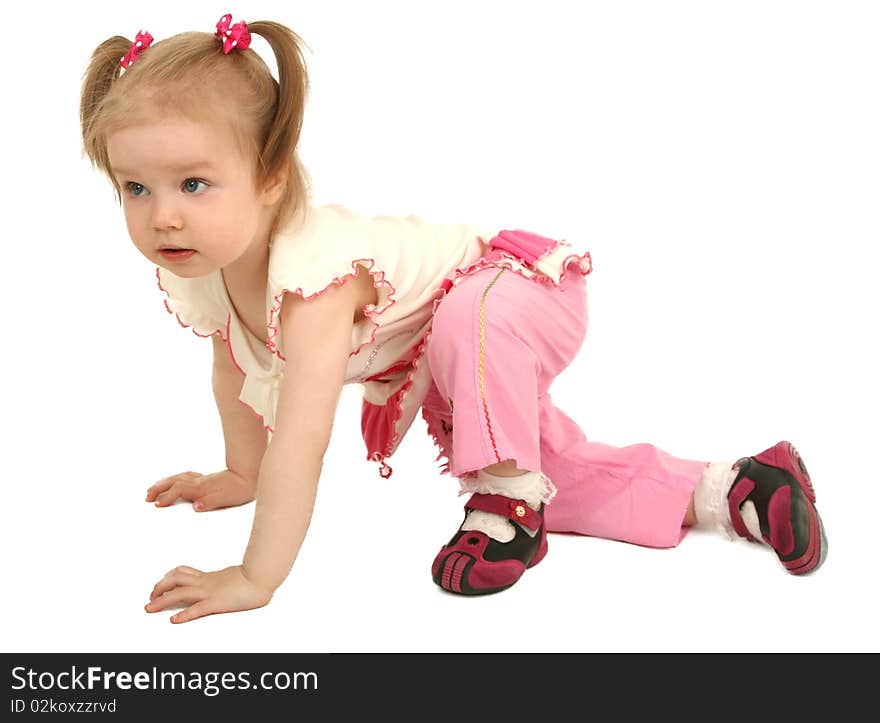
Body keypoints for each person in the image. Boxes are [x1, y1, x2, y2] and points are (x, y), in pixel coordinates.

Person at [79, 14, 827, 623]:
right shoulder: (206, 268)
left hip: (514, 292)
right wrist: (241, 472)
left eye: (195, 183)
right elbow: (233, 368)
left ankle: (504, 501)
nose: (163, 217)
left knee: (478, 352)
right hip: (449, 351)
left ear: (272, 176)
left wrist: (254, 575)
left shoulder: (312, 283)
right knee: (553, 475)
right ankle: (739, 489)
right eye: (136, 187)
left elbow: (301, 445)